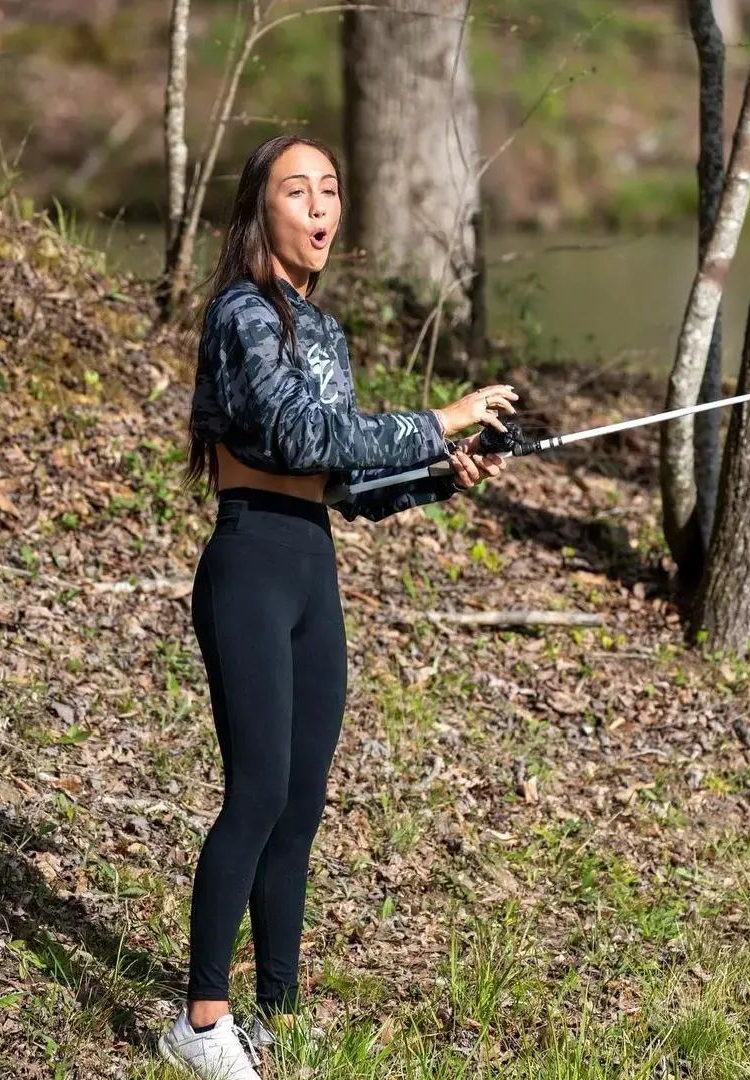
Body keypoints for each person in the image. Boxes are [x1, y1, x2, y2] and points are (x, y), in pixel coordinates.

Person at [158, 133, 518, 1080]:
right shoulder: (243, 314)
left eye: (330, 190)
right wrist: (435, 417)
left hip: (312, 567)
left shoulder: (323, 331)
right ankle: (201, 1021)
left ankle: (275, 1010)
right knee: (259, 791)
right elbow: (296, 430)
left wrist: (441, 472)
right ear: (260, 212)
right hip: (249, 565)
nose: (320, 208)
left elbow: (344, 478)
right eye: (297, 191)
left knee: (302, 804)